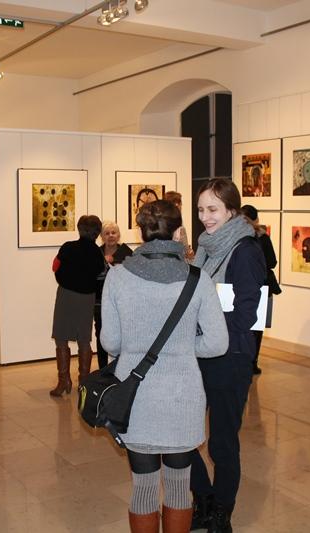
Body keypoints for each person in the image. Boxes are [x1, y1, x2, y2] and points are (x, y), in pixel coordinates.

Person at [100, 200, 228, 533]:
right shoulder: (198, 279)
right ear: (177, 231)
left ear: (140, 231)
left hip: (135, 398)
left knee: (143, 486)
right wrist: (182, 347)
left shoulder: (117, 277)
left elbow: (110, 342)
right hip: (181, 397)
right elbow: (217, 343)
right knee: (179, 486)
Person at [190, 178, 266, 533]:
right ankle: (203, 499)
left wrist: (210, 327)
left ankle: (221, 511)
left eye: (213, 209)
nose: (205, 217)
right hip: (199, 355)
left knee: (222, 443)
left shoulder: (245, 250)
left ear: (231, 210)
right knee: (184, 437)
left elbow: (247, 313)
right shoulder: (206, 247)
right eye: (201, 209)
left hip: (229, 358)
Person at [49, 215, 106, 396]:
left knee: (61, 336)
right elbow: (101, 275)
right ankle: (84, 383)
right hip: (87, 298)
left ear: (79, 229)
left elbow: (55, 267)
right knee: (84, 339)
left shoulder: (68, 247)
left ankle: (63, 380)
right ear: (97, 233)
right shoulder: (97, 253)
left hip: (65, 294)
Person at [241, 204, 281, 375]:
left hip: (244, 285)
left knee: (244, 325)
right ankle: (252, 362)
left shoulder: (238, 237)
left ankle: (244, 360)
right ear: (256, 219)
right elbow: (272, 261)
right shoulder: (262, 237)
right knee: (257, 328)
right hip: (262, 285)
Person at [94, 221, 132, 369]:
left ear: (119, 235)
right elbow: (92, 275)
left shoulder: (127, 252)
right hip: (100, 301)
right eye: (107, 233)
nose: (110, 236)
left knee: (123, 333)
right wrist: (103, 264)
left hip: (123, 300)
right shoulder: (97, 253)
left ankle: (121, 367)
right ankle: (103, 369)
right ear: (102, 237)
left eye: (113, 232)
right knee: (101, 333)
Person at [164, 191, 194, 260]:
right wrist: (190, 254)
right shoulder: (179, 227)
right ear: (177, 205)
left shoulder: (159, 225)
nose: (181, 207)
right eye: (181, 204)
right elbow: (186, 252)